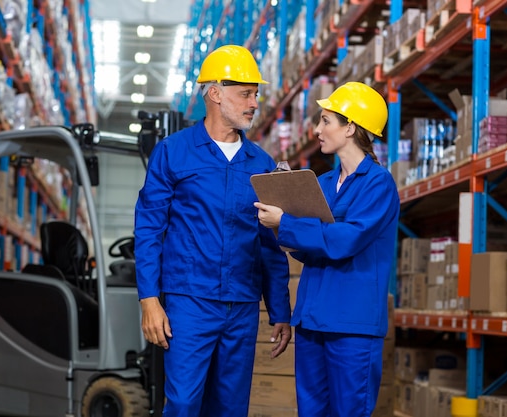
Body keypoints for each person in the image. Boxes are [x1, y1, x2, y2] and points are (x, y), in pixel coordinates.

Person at [133, 44, 292, 417]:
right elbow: (149, 228)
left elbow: (270, 245)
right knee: (185, 403)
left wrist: (280, 311)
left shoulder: (261, 162)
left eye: (256, 94)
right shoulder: (174, 152)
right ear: (216, 94)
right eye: (245, 94)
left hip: (242, 303)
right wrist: (149, 301)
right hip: (190, 301)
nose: (255, 103)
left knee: (231, 407)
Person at [254, 81, 400, 417]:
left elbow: (346, 240)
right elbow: (305, 248)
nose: (317, 129)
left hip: (352, 324)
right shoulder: (319, 184)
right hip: (312, 318)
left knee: (348, 411)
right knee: (311, 411)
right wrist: (283, 210)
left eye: (325, 121)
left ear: (350, 127)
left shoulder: (378, 184)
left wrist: (288, 223)